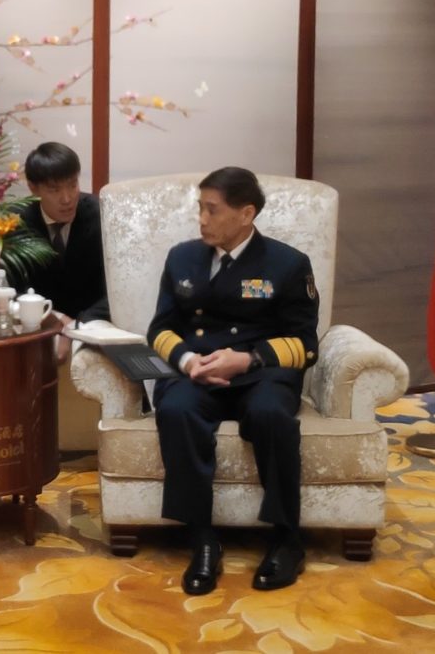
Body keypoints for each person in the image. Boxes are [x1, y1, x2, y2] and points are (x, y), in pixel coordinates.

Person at [146, 166, 318, 595]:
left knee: (270, 415)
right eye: (200, 208)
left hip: (260, 373)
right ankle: (202, 539)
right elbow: (160, 328)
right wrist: (187, 361)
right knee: (176, 410)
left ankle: (286, 538)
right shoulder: (182, 257)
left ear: (246, 214)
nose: (202, 219)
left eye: (212, 210)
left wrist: (247, 360)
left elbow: (305, 344)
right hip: (199, 370)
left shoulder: (287, 264)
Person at [11, 142, 110, 359]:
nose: (67, 198)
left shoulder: (101, 215)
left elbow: (116, 289)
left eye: (73, 185)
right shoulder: (16, 223)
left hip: (92, 324)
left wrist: (76, 326)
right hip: (38, 324)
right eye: (54, 190)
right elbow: (10, 290)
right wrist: (55, 319)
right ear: (33, 188)